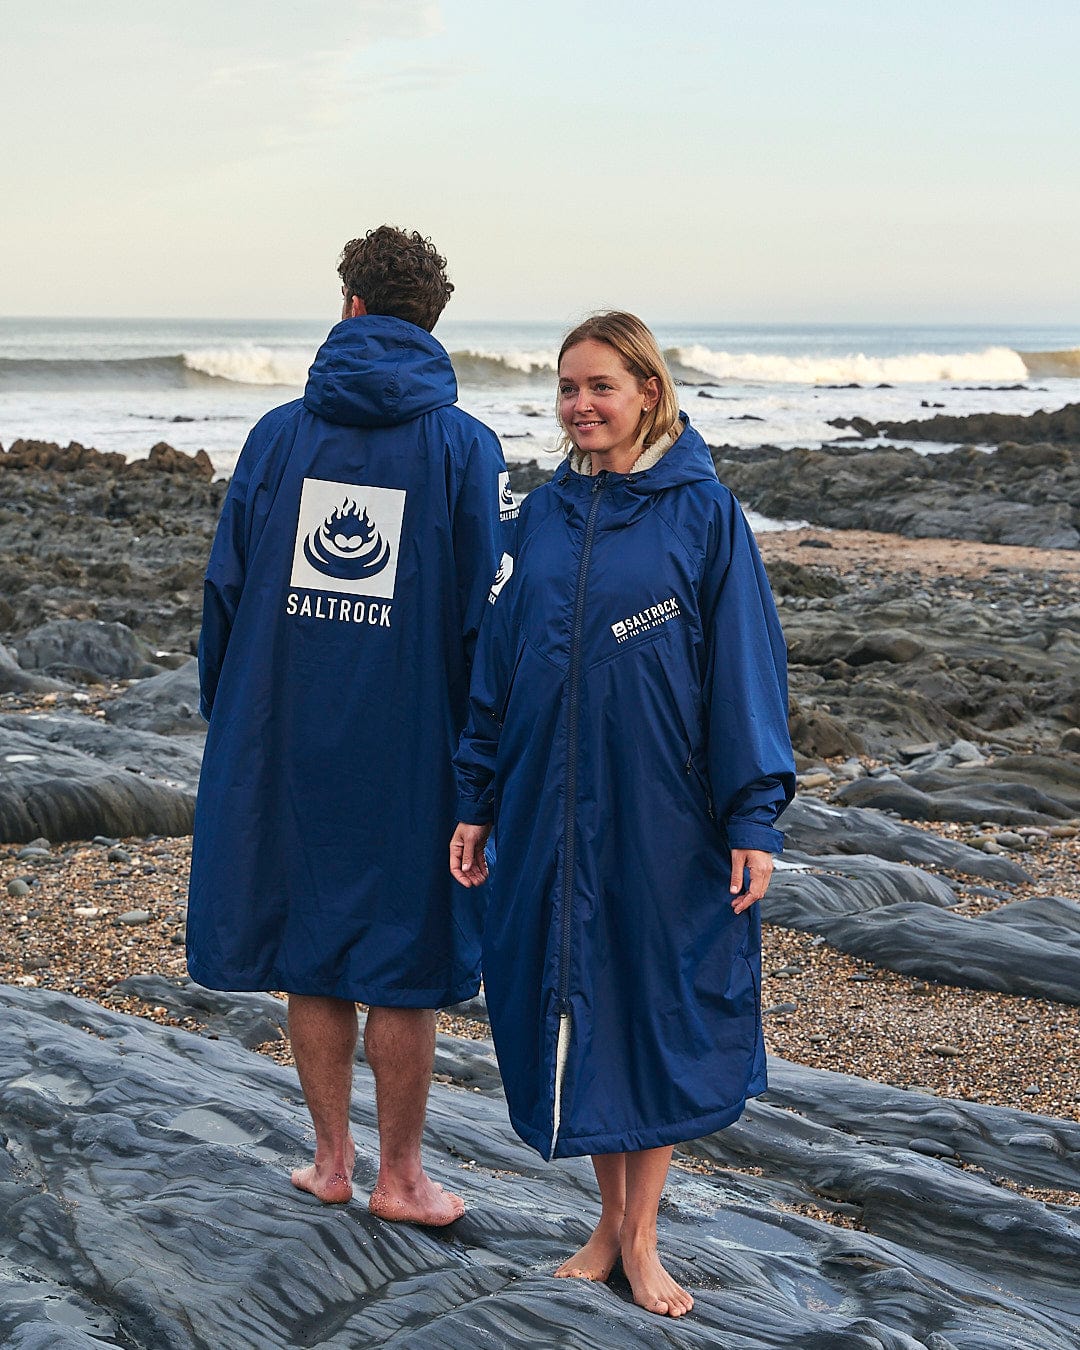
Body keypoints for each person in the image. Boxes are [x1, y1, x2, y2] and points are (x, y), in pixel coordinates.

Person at [450, 312, 795, 1315]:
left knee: (656, 1008)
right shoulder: (540, 518)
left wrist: (753, 818)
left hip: (664, 817)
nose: (580, 405)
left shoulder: (703, 515)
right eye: (567, 387)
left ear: (649, 389)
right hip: (548, 814)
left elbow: (744, 675)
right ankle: (607, 1225)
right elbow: (495, 671)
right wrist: (476, 799)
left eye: (600, 385)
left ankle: (640, 1241)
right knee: (573, 1004)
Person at [188, 226, 512, 1226]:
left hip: (283, 732)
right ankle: (399, 1179)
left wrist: (232, 715)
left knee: (309, 945)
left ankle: (331, 1160)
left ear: (352, 307)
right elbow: (477, 615)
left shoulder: (279, 436)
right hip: (413, 743)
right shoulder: (464, 447)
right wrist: (482, 765)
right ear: (429, 322)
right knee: (404, 962)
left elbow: (226, 591)